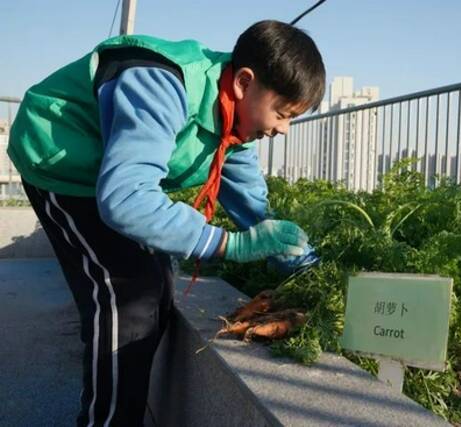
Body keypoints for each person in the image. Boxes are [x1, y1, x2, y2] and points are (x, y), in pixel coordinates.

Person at [7, 19, 325, 425]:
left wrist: (297, 256)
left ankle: (125, 405)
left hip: (110, 178)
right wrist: (233, 245)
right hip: (61, 160)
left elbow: (252, 206)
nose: (283, 129)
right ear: (245, 82)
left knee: (158, 281)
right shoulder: (160, 84)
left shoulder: (236, 126)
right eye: (282, 113)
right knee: (127, 293)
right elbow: (125, 198)